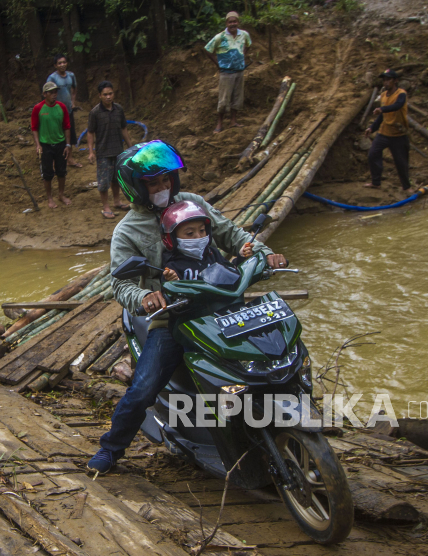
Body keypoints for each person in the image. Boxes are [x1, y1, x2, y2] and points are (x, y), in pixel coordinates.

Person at [86, 140, 288, 474]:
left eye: (167, 180)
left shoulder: (193, 203)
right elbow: (119, 283)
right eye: (154, 182)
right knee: (143, 388)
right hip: (173, 319)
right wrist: (144, 297)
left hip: (224, 305)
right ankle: (111, 448)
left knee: (274, 356)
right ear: (136, 187)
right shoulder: (126, 231)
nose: (163, 187)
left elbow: (234, 236)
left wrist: (264, 254)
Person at [159, 200, 256, 283]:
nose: (198, 236)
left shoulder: (213, 254)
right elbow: (171, 295)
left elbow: (231, 273)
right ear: (172, 238)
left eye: (202, 230)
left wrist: (241, 257)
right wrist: (173, 281)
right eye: (190, 233)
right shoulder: (172, 266)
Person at [87, 80, 134, 219]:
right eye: (105, 94)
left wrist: (130, 145)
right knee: (103, 182)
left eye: (110, 94)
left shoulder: (118, 109)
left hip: (118, 151)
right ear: (100, 96)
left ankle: (117, 201)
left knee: (116, 179)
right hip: (103, 152)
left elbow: (124, 128)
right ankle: (106, 207)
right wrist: (91, 151)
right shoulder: (95, 112)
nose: (108, 97)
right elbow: (90, 132)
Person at [364, 69, 412, 194]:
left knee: (401, 162)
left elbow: (398, 105)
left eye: (389, 79)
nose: (386, 82)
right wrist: (372, 128)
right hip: (384, 133)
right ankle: (376, 183)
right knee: (373, 154)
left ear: (395, 81)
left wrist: (382, 109)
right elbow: (382, 116)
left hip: (398, 134)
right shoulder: (384, 95)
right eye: (384, 80)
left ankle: (406, 187)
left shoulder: (401, 94)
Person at [204, 11, 252, 133]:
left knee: (237, 97)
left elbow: (248, 45)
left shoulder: (244, 35)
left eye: (234, 21)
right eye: (230, 22)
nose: (233, 24)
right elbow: (208, 50)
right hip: (226, 72)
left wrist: (243, 55)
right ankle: (219, 124)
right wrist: (218, 64)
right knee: (224, 99)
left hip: (240, 70)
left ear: (238, 22)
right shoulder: (220, 37)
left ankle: (233, 121)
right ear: (226, 23)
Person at [32, 82, 72, 209]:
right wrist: (38, 144)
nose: (54, 95)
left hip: (60, 143)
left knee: (61, 171)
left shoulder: (62, 107)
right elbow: (34, 128)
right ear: (45, 94)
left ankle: (61, 194)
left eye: (56, 92)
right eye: (51, 92)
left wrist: (68, 144)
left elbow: (66, 126)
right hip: (46, 145)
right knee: (47, 172)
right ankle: (49, 197)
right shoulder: (38, 108)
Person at [47, 54, 82, 168]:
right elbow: (47, 93)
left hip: (68, 111)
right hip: (56, 112)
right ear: (55, 65)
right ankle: (54, 160)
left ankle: (70, 159)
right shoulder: (52, 78)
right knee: (56, 135)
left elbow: (74, 88)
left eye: (64, 62)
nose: (62, 65)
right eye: (59, 63)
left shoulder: (71, 76)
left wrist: (73, 101)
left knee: (70, 135)